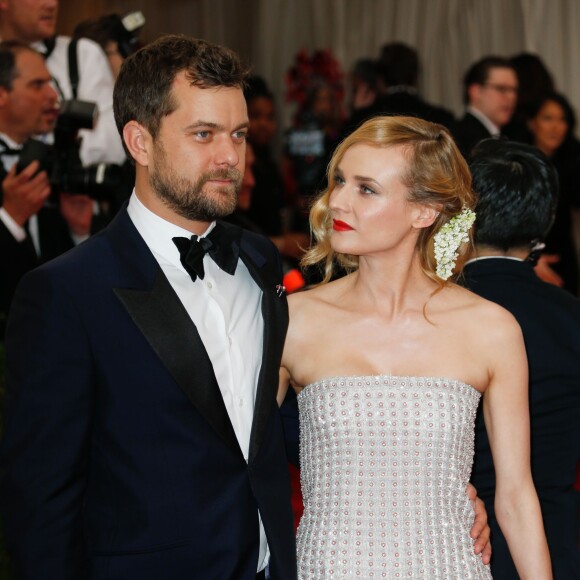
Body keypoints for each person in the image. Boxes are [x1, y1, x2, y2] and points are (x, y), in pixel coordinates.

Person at [0, 34, 296, 579]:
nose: (230, 157)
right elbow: (40, 504)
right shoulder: (65, 293)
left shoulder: (258, 261)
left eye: (238, 135)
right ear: (139, 141)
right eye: (203, 134)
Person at [278, 115, 551, 578]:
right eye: (339, 181)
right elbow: (239, 467)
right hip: (328, 568)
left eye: (366, 189)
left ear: (423, 212)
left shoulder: (490, 328)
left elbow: (516, 495)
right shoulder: (293, 320)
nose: (336, 201)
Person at [463, 138, 580, 579]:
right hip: (553, 541)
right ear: (545, 224)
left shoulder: (433, 313)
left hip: (456, 542)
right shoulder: (571, 317)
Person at [0, 41, 93, 336]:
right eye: (37, 85)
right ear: (2, 95)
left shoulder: (52, 160)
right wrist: (10, 219)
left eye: (50, 84)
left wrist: (79, 231)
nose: (53, 96)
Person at [0, 0, 126, 166]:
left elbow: (114, 141)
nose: (52, 4)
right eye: (37, 85)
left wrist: (47, 156)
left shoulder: (81, 54)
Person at [526, 92, 580, 294]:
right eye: (548, 118)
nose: (555, 127)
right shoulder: (518, 164)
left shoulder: (572, 163)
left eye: (562, 120)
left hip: (563, 255)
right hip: (524, 254)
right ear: (532, 123)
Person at [454, 56, 518, 157]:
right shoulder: (463, 140)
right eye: (501, 89)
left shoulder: (504, 136)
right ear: (476, 92)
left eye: (514, 90)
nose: (511, 97)